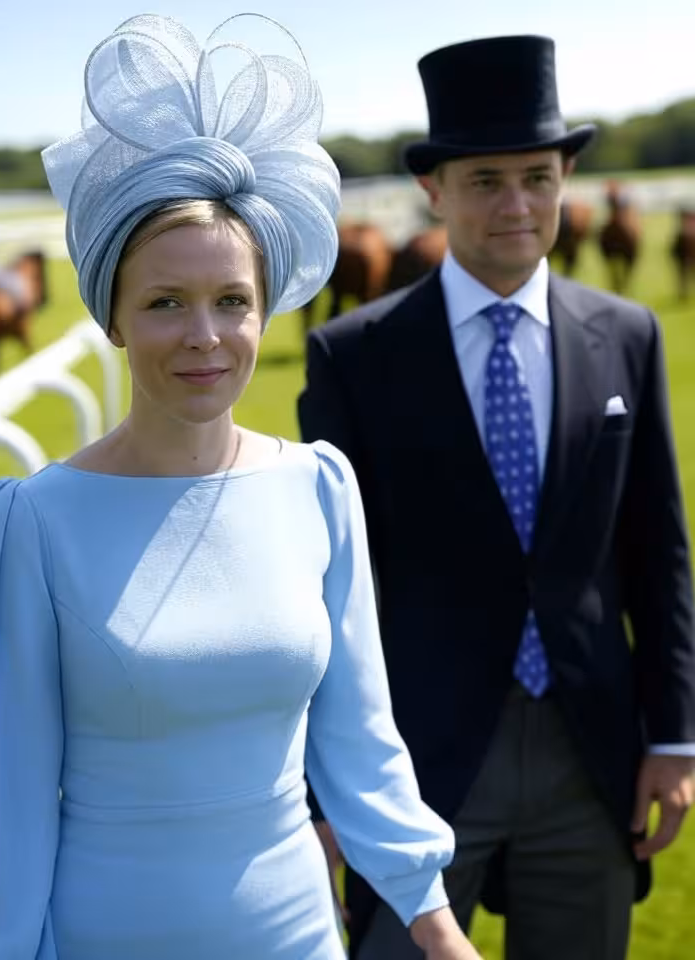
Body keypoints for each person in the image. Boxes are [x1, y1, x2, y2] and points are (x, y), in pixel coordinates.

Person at [0, 14, 485, 960]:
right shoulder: (30, 522)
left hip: (298, 936)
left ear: (264, 307)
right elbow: (1, 806)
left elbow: (363, 746)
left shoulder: (320, 486)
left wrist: (438, 924)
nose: (205, 337)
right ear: (114, 319)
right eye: (166, 303)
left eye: (232, 301)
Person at [298, 33, 695, 960]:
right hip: (413, 760)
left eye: (538, 177)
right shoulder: (355, 356)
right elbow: (324, 587)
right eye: (485, 181)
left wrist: (674, 736)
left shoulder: (628, 334)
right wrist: (319, 792)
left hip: (589, 755)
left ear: (566, 182)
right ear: (434, 191)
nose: (516, 205)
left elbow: (659, 549)